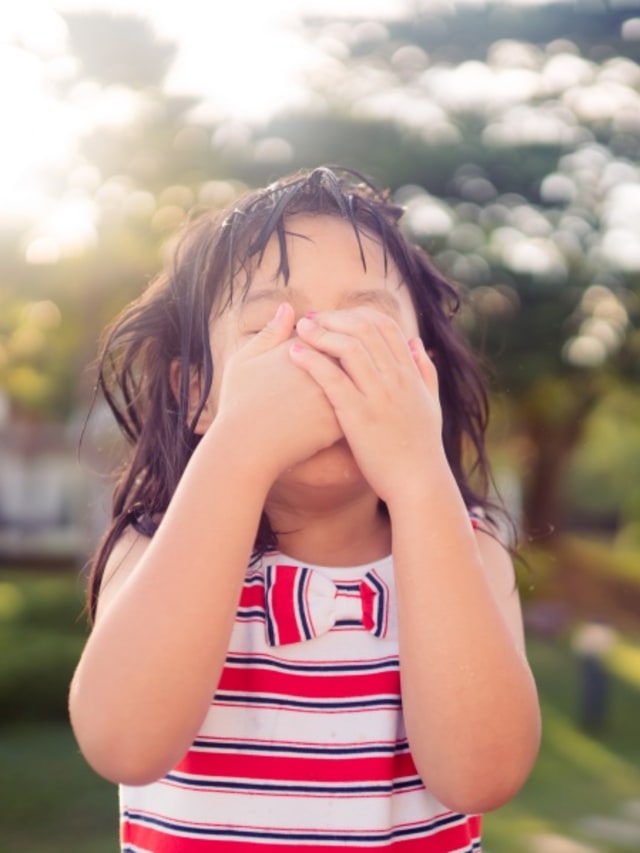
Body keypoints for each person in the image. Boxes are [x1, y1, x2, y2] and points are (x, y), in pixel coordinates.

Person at [69, 166, 541, 852]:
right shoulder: (154, 551)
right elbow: (123, 743)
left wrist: (417, 477)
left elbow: (481, 775)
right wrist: (238, 450)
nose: (325, 351)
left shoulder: (471, 555)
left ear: (424, 377)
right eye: (275, 327)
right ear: (198, 392)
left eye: (368, 327)